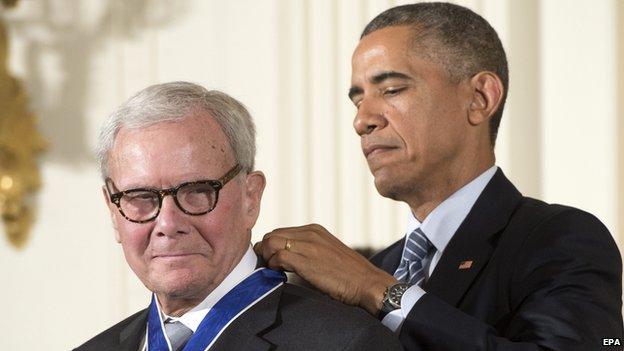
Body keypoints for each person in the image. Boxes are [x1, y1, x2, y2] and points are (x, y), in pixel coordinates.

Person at [255, 3, 623, 350]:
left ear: (480, 98)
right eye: (357, 100)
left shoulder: (560, 239)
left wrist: (380, 292)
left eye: (392, 89)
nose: (362, 120)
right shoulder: (377, 267)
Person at [74, 82, 402, 351]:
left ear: (250, 196)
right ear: (113, 213)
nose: (168, 224)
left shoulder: (346, 343)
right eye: (140, 198)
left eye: (197, 192)